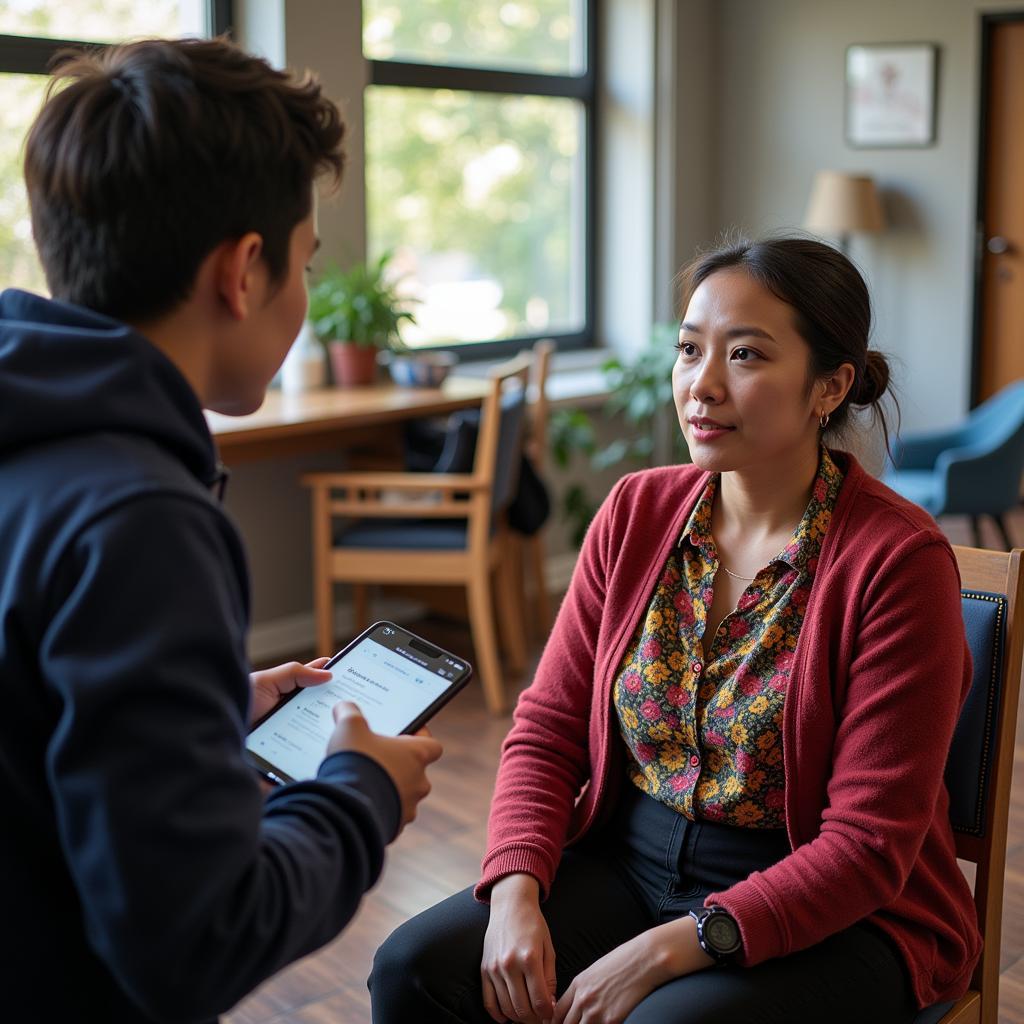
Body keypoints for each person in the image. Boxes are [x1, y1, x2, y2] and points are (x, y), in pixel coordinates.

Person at [369, 237, 982, 1024]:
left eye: (748, 355)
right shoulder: (636, 512)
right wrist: (515, 888)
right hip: (629, 857)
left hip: (836, 906)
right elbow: (549, 729)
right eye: (690, 350)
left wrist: (668, 948)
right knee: (414, 969)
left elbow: (866, 847)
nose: (703, 385)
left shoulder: (898, 562)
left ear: (829, 387)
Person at [0, 37, 442, 1024]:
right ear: (244, 272)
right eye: (307, 267)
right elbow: (195, 940)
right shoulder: (140, 518)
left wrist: (203, 707)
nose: (304, 296)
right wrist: (359, 790)